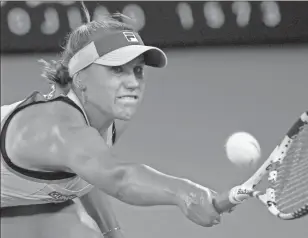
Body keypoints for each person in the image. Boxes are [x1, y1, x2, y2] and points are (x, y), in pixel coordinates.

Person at [0, 8, 225, 238]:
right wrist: (183, 192)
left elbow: (88, 170)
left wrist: (112, 232)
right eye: (117, 69)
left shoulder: (107, 119)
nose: (132, 83)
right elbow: (118, 178)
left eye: (137, 70)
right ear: (80, 78)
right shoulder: (59, 129)